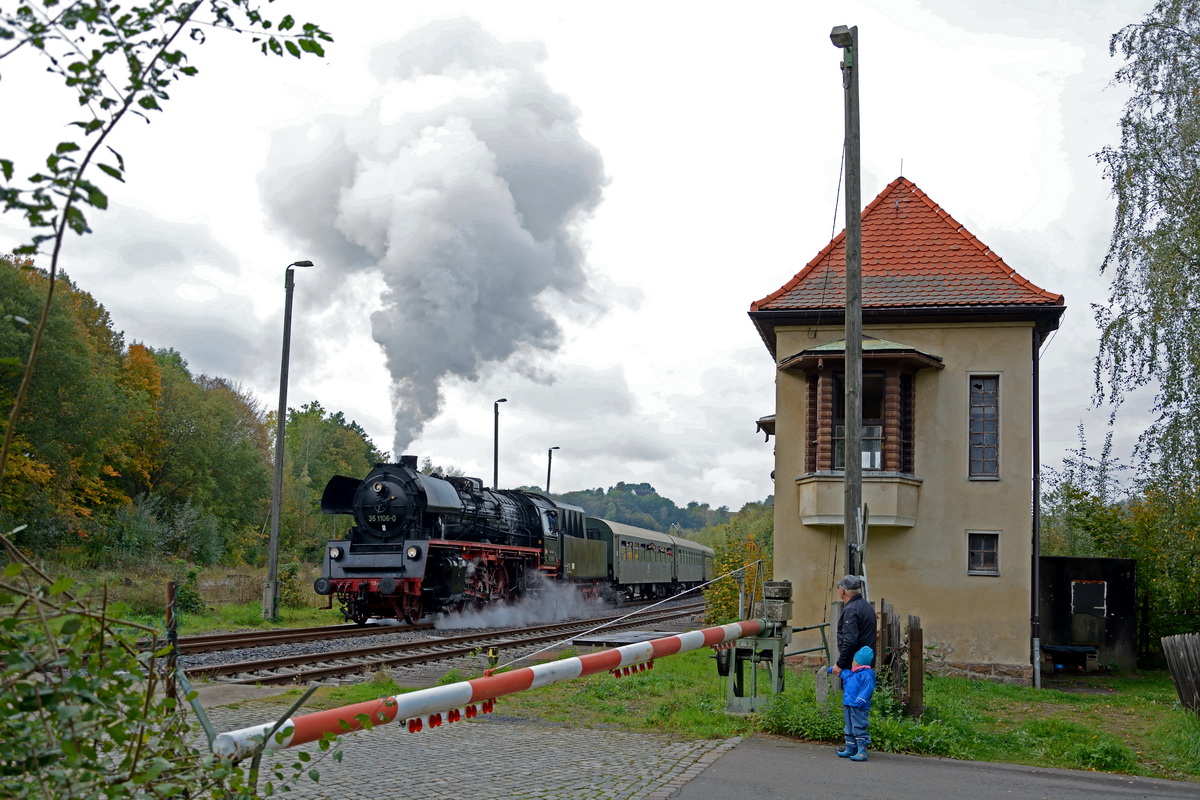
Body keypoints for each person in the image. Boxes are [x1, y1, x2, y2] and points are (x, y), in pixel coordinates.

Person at [829, 645, 876, 761]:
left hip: (859, 706)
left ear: (860, 663)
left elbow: (867, 688)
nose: (853, 662)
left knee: (858, 725)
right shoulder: (852, 673)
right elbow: (842, 673)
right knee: (849, 726)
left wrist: (862, 699)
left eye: (855, 661)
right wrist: (831, 669)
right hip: (849, 704)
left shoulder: (866, 674)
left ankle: (862, 750)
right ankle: (850, 747)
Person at [831, 574, 876, 676]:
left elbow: (850, 640)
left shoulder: (851, 610)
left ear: (842, 591)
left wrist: (840, 664)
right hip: (866, 663)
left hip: (855, 665)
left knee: (853, 691)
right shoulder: (866, 606)